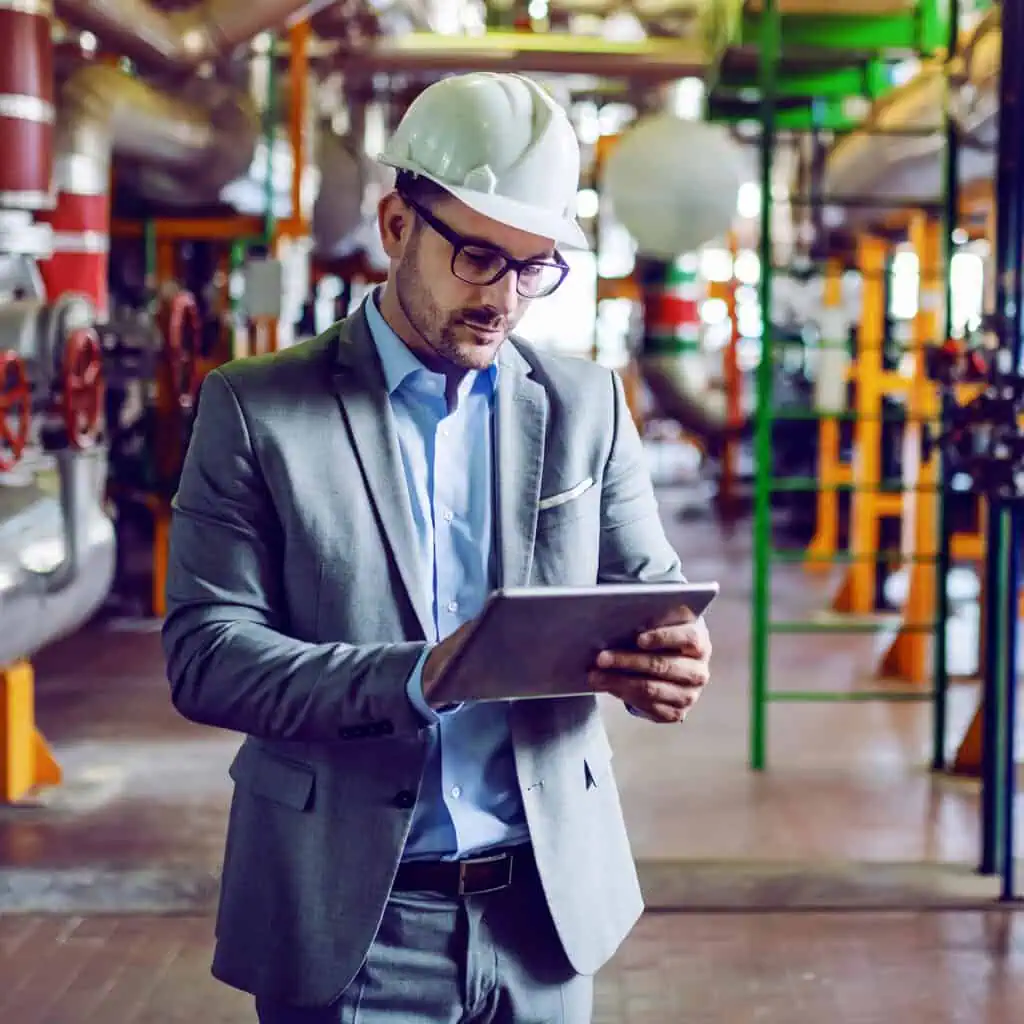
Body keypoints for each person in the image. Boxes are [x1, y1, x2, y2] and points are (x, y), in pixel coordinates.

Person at [162, 71, 713, 1024]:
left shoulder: (586, 407)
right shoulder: (257, 409)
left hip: (546, 917)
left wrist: (669, 659)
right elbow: (207, 657)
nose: (503, 298)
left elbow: (650, 591)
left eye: (534, 266)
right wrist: (420, 677)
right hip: (355, 923)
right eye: (476, 257)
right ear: (394, 225)